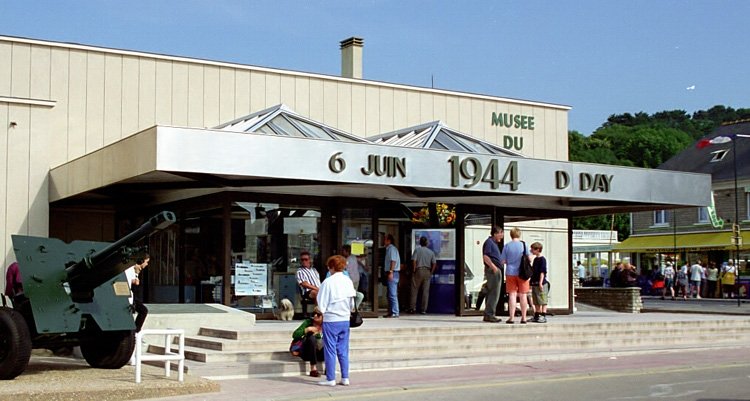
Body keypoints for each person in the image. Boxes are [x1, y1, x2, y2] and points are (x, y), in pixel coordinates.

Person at [316, 255, 356, 386]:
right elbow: (352, 304)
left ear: (331, 267)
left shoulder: (327, 282)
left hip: (331, 319)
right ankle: (345, 377)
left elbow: (321, 305)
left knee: (330, 349)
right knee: (343, 349)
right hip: (345, 319)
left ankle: (331, 378)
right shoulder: (348, 281)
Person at [501, 227, 530, 324]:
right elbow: (529, 259)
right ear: (519, 234)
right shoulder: (524, 245)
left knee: (512, 295)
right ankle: (524, 317)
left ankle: (512, 317)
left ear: (511, 235)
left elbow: (503, 261)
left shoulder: (507, 246)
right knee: (523, 295)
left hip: (510, 272)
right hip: (522, 273)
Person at [291, 306, 325, 377]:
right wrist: (307, 329)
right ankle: (313, 369)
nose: (315, 316)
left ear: (323, 316)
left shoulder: (327, 325)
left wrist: (318, 335)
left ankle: (329, 368)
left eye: (318, 314)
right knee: (311, 338)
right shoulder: (308, 322)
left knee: (330, 340)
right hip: (308, 352)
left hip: (321, 353)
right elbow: (295, 335)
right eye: (314, 314)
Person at [481, 226, 504, 323]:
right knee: (494, 292)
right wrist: (494, 267)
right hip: (493, 270)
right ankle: (490, 314)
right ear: (495, 234)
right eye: (500, 233)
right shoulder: (489, 243)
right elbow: (486, 256)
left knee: (492, 292)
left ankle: (488, 314)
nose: (502, 235)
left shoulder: (493, 243)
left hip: (494, 269)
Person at [410, 236, 437, 315]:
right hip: (427, 271)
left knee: (414, 290)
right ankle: (423, 310)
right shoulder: (431, 252)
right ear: (427, 243)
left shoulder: (417, 250)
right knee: (425, 291)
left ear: (420, 242)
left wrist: (414, 269)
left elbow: (414, 261)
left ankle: (412, 308)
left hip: (418, 270)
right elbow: (434, 263)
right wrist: (431, 272)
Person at [125, 255, 150, 332]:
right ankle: (134, 332)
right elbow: (135, 282)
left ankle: (135, 331)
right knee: (143, 311)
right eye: (146, 262)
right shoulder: (130, 269)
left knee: (143, 311)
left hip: (131, 297)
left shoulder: (134, 270)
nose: (147, 264)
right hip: (127, 297)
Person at [529, 242, 549, 323]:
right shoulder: (535, 259)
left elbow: (542, 272)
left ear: (538, 250)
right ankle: (537, 315)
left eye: (533, 249)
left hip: (541, 283)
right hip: (535, 282)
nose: (531, 251)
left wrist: (541, 282)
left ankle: (543, 315)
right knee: (536, 300)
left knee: (542, 299)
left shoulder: (542, 259)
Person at [383, 234, 400, 318]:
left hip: (393, 272)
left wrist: (391, 271)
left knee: (392, 293)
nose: (383, 241)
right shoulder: (388, 249)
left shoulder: (392, 249)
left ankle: (395, 312)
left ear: (389, 241)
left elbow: (393, 261)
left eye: (385, 239)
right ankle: (391, 311)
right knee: (389, 293)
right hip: (391, 272)